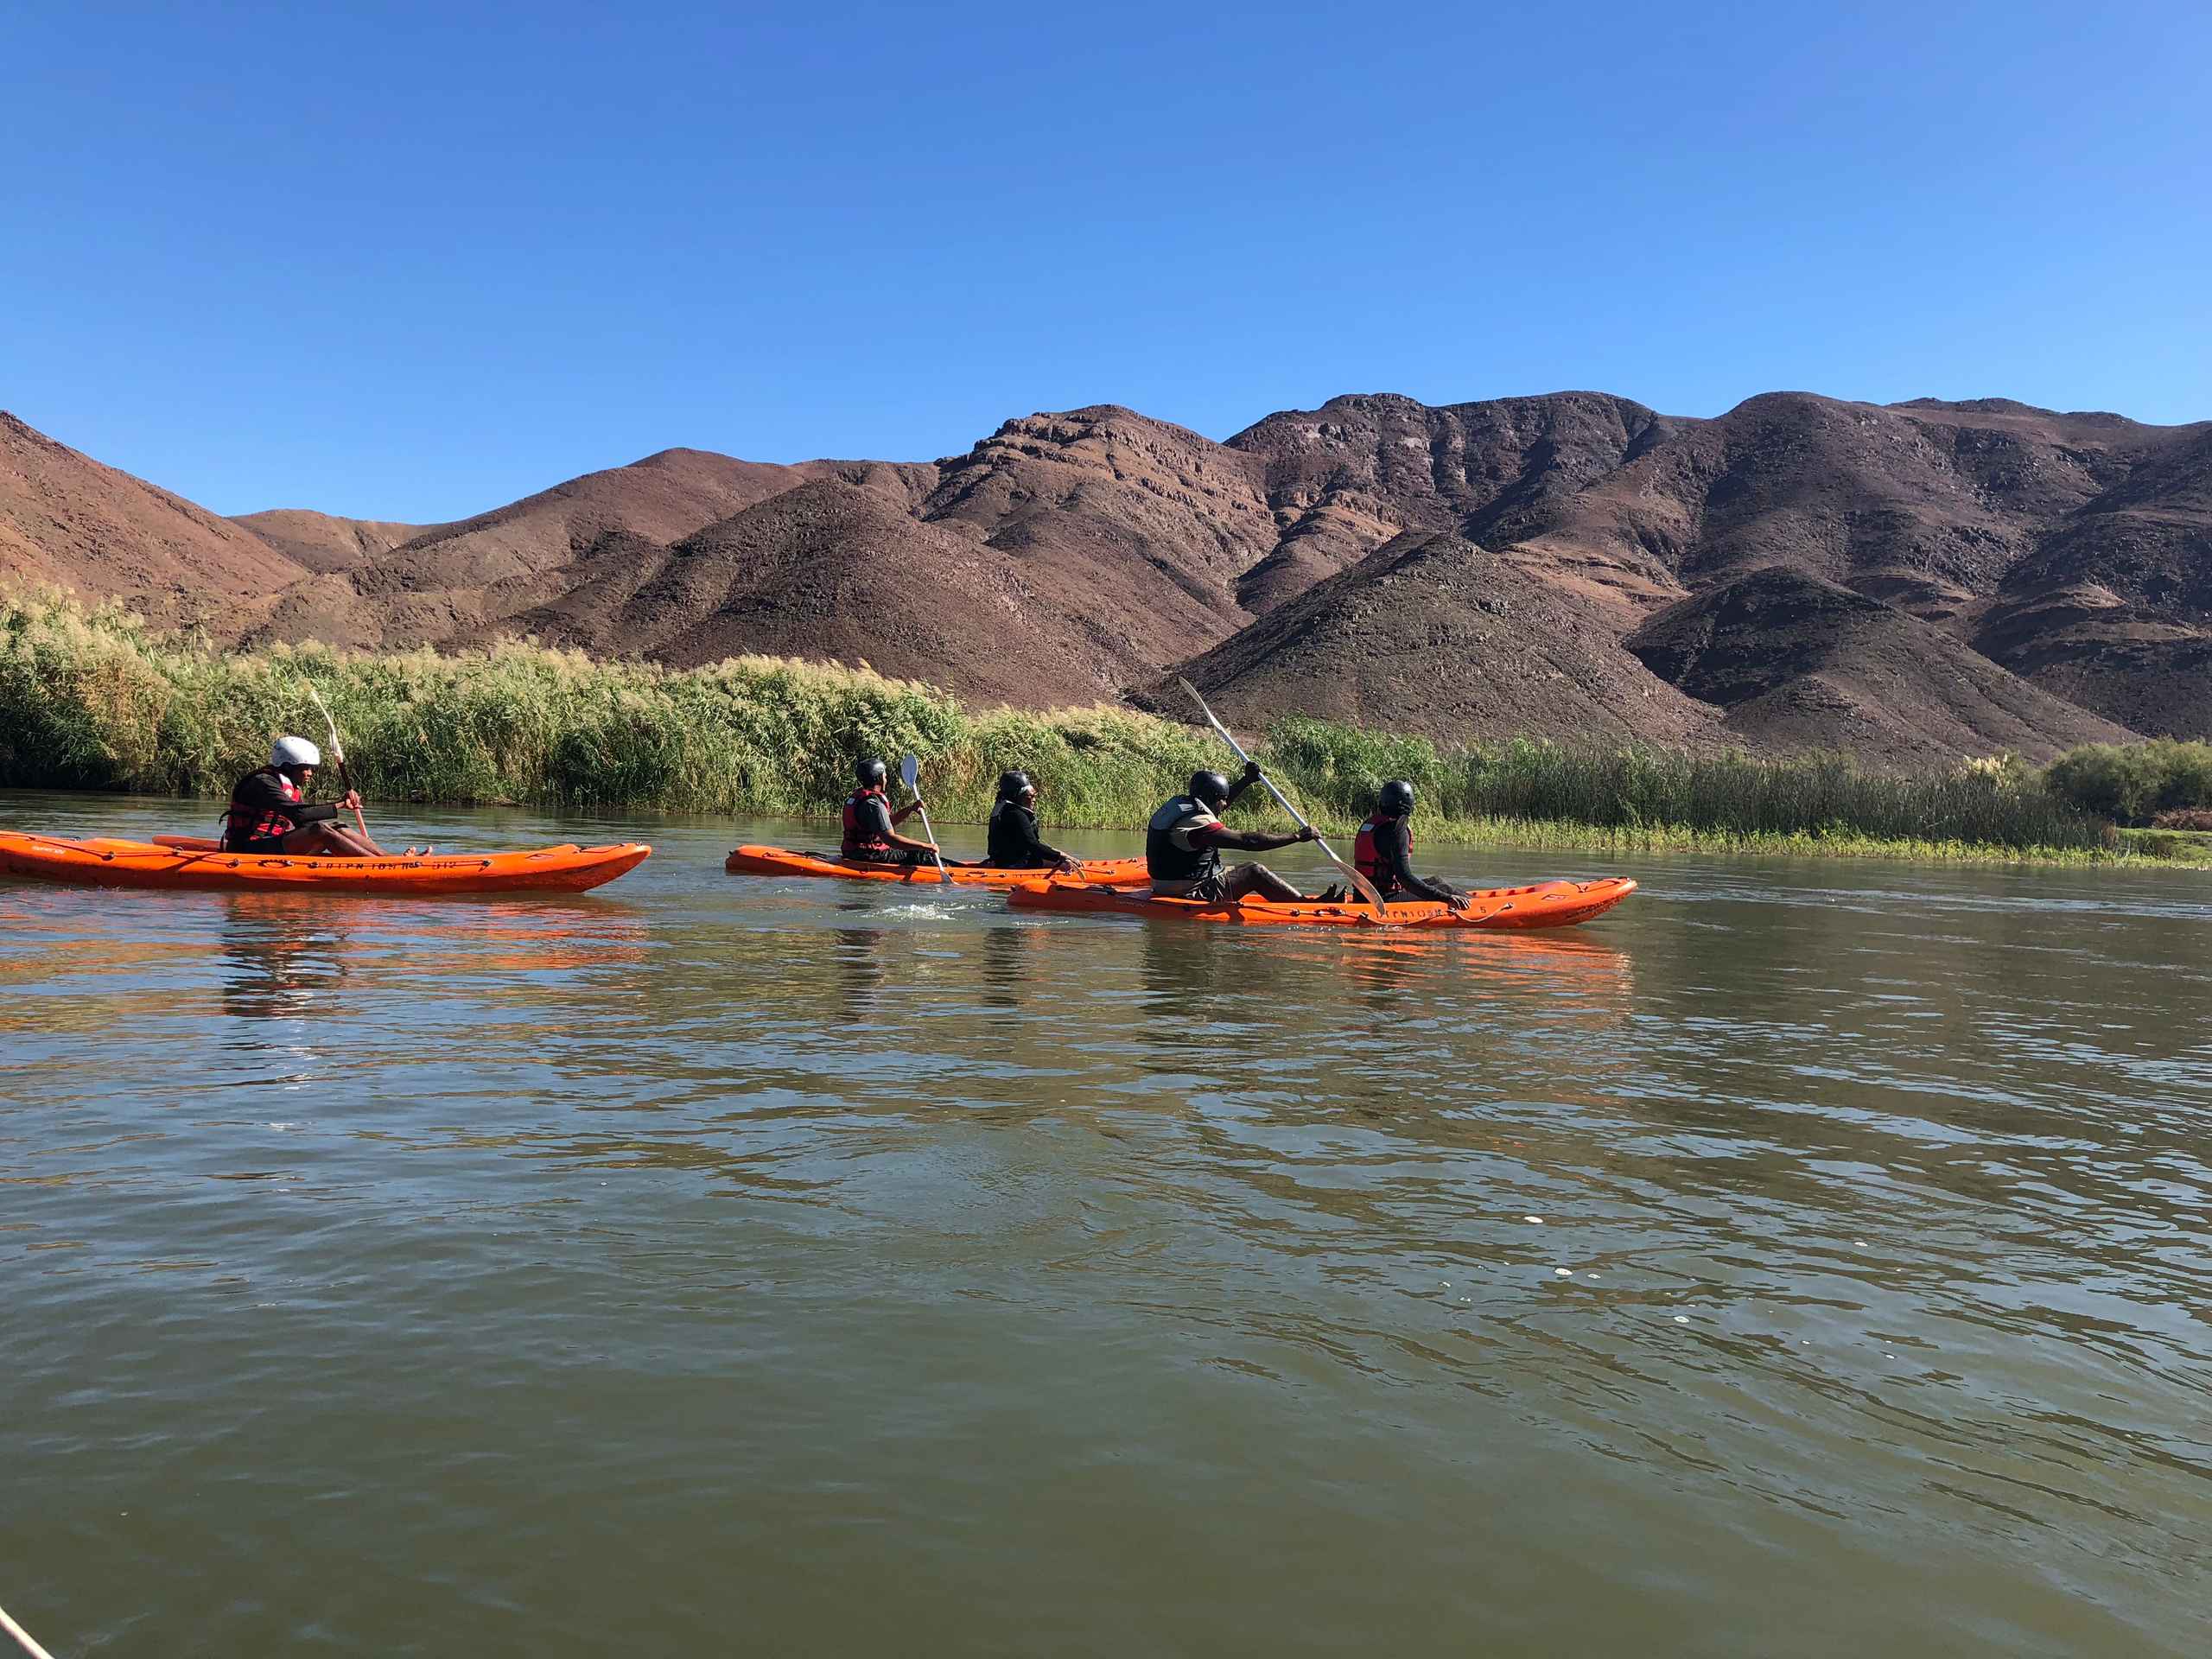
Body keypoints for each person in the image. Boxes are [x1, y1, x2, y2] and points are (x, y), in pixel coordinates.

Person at [1146, 763, 1316, 901]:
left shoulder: (1180, 805)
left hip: (1165, 884)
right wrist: (1297, 836)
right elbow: (1247, 841)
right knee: (1253, 872)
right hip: (1190, 891)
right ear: (1213, 799)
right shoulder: (1199, 824)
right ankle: (1304, 904)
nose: (1226, 804)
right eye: (1222, 799)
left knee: (1236, 869)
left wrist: (1247, 780)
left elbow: (1218, 803)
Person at [222, 737, 387, 857]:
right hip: (247, 848)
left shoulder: (290, 786)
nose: (310, 774)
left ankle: (390, 860)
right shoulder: (263, 783)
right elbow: (298, 814)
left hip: (273, 843)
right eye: (305, 768)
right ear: (287, 766)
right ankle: (378, 866)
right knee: (321, 830)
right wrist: (340, 805)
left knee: (336, 826)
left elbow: (304, 821)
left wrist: (337, 808)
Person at [1353, 779, 1471, 910]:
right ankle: (1481, 907)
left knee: (1435, 881)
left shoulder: (1371, 825)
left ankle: (1482, 901)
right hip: (1382, 901)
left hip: (1361, 896)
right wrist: (1446, 897)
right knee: (1444, 888)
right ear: (1409, 804)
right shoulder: (1397, 830)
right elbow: (1404, 879)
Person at [841, 756, 938, 866]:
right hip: (870, 854)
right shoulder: (874, 805)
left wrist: (910, 809)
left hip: (852, 852)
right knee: (921, 855)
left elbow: (886, 823)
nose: (886, 780)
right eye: (885, 777)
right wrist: (926, 846)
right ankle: (955, 872)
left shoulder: (860, 799)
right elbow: (891, 840)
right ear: (878, 779)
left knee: (919, 853)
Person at [984, 770, 1079, 874]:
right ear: (1017, 796)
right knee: (1066, 865)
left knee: (1053, 858)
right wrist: (1063, 857)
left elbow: (1030, 843)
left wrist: (1056, 853)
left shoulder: (1004, 808)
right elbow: (1032, 845)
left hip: (1001, 861)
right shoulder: (1015, 814)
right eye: (1030, 796)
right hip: (1016, 864)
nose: (1034, 800)